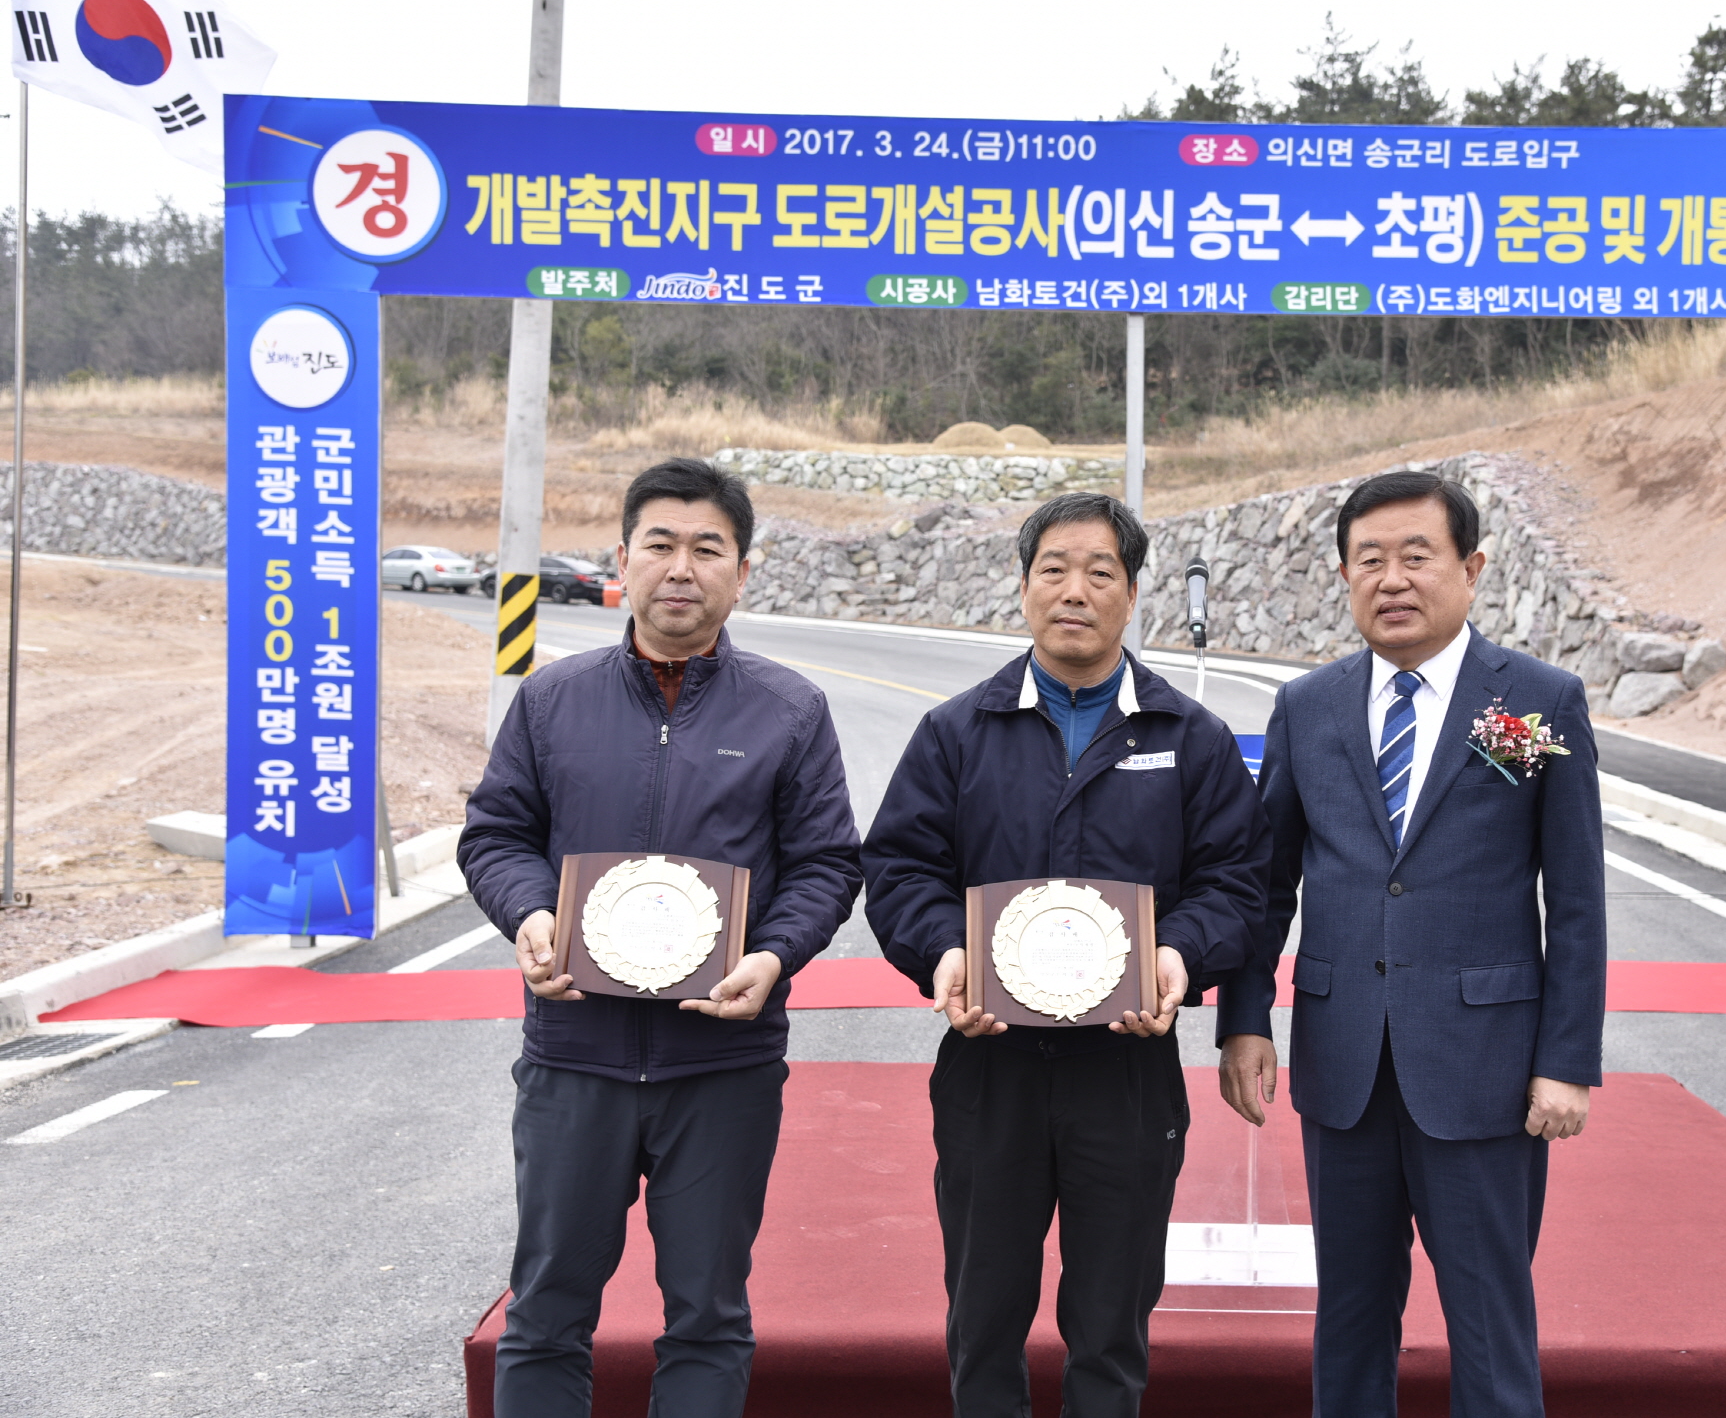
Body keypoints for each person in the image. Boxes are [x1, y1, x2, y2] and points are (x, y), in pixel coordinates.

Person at [460, 457, 862, 1418]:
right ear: (623, 560)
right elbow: (496, 835)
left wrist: (771, 957)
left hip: (722, 1065)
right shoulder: (553, 701)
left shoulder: (790, 709)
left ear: (742, 571)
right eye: (661, 545)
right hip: (573, 1060)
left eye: (707, 549)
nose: (681, 568)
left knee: (708, 1318)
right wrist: (530, 916)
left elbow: (827, 864)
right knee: (547, 1311)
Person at [862, 490, 1271, 1418]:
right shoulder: (957, 731)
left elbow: (1236, 881)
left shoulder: (1188, 737)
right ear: (1023, 587)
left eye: (1100, 572)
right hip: (987, 1062)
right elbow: (898, 866)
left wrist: (1179, 958)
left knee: (1112, 1324)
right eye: (1054, 568)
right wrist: (941, 954)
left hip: (1127, 1067)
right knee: (983, 1317)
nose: (1075, 590)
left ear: (1132, 595)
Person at [1216, 469, 1607, 1418]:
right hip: (1343, 1061)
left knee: (1487, 1316)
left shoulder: (1529, 703)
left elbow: (1578, 897)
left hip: (1483, 1070)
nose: (1392, 579)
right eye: (1369, 560)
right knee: (1349, 1313)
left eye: (1416, 556)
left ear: (1470, 569)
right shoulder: (1308, 707)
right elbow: (1268, 885)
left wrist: (1566, 1062)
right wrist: (1244, 1019)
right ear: (1345, 577)